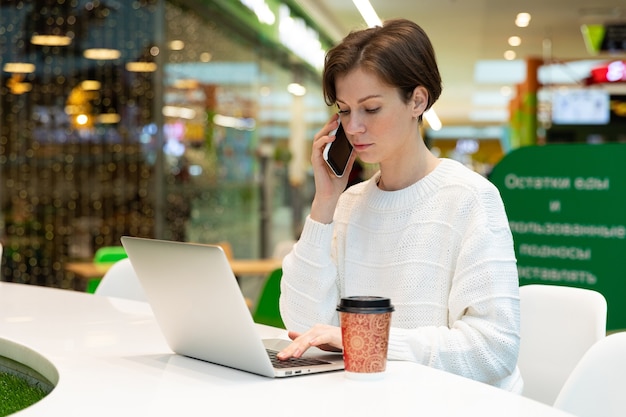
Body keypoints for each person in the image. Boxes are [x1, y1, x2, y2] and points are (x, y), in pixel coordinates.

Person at [277, 18, 522, 392]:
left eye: (371, 109)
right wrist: (325, 202)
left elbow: (494, 348)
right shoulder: (348, 204)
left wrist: (373, 342)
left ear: (417, 101)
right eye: (343, 110)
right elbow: (303, 326)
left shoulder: (471, 198)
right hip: (367, 398)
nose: (353, 127)